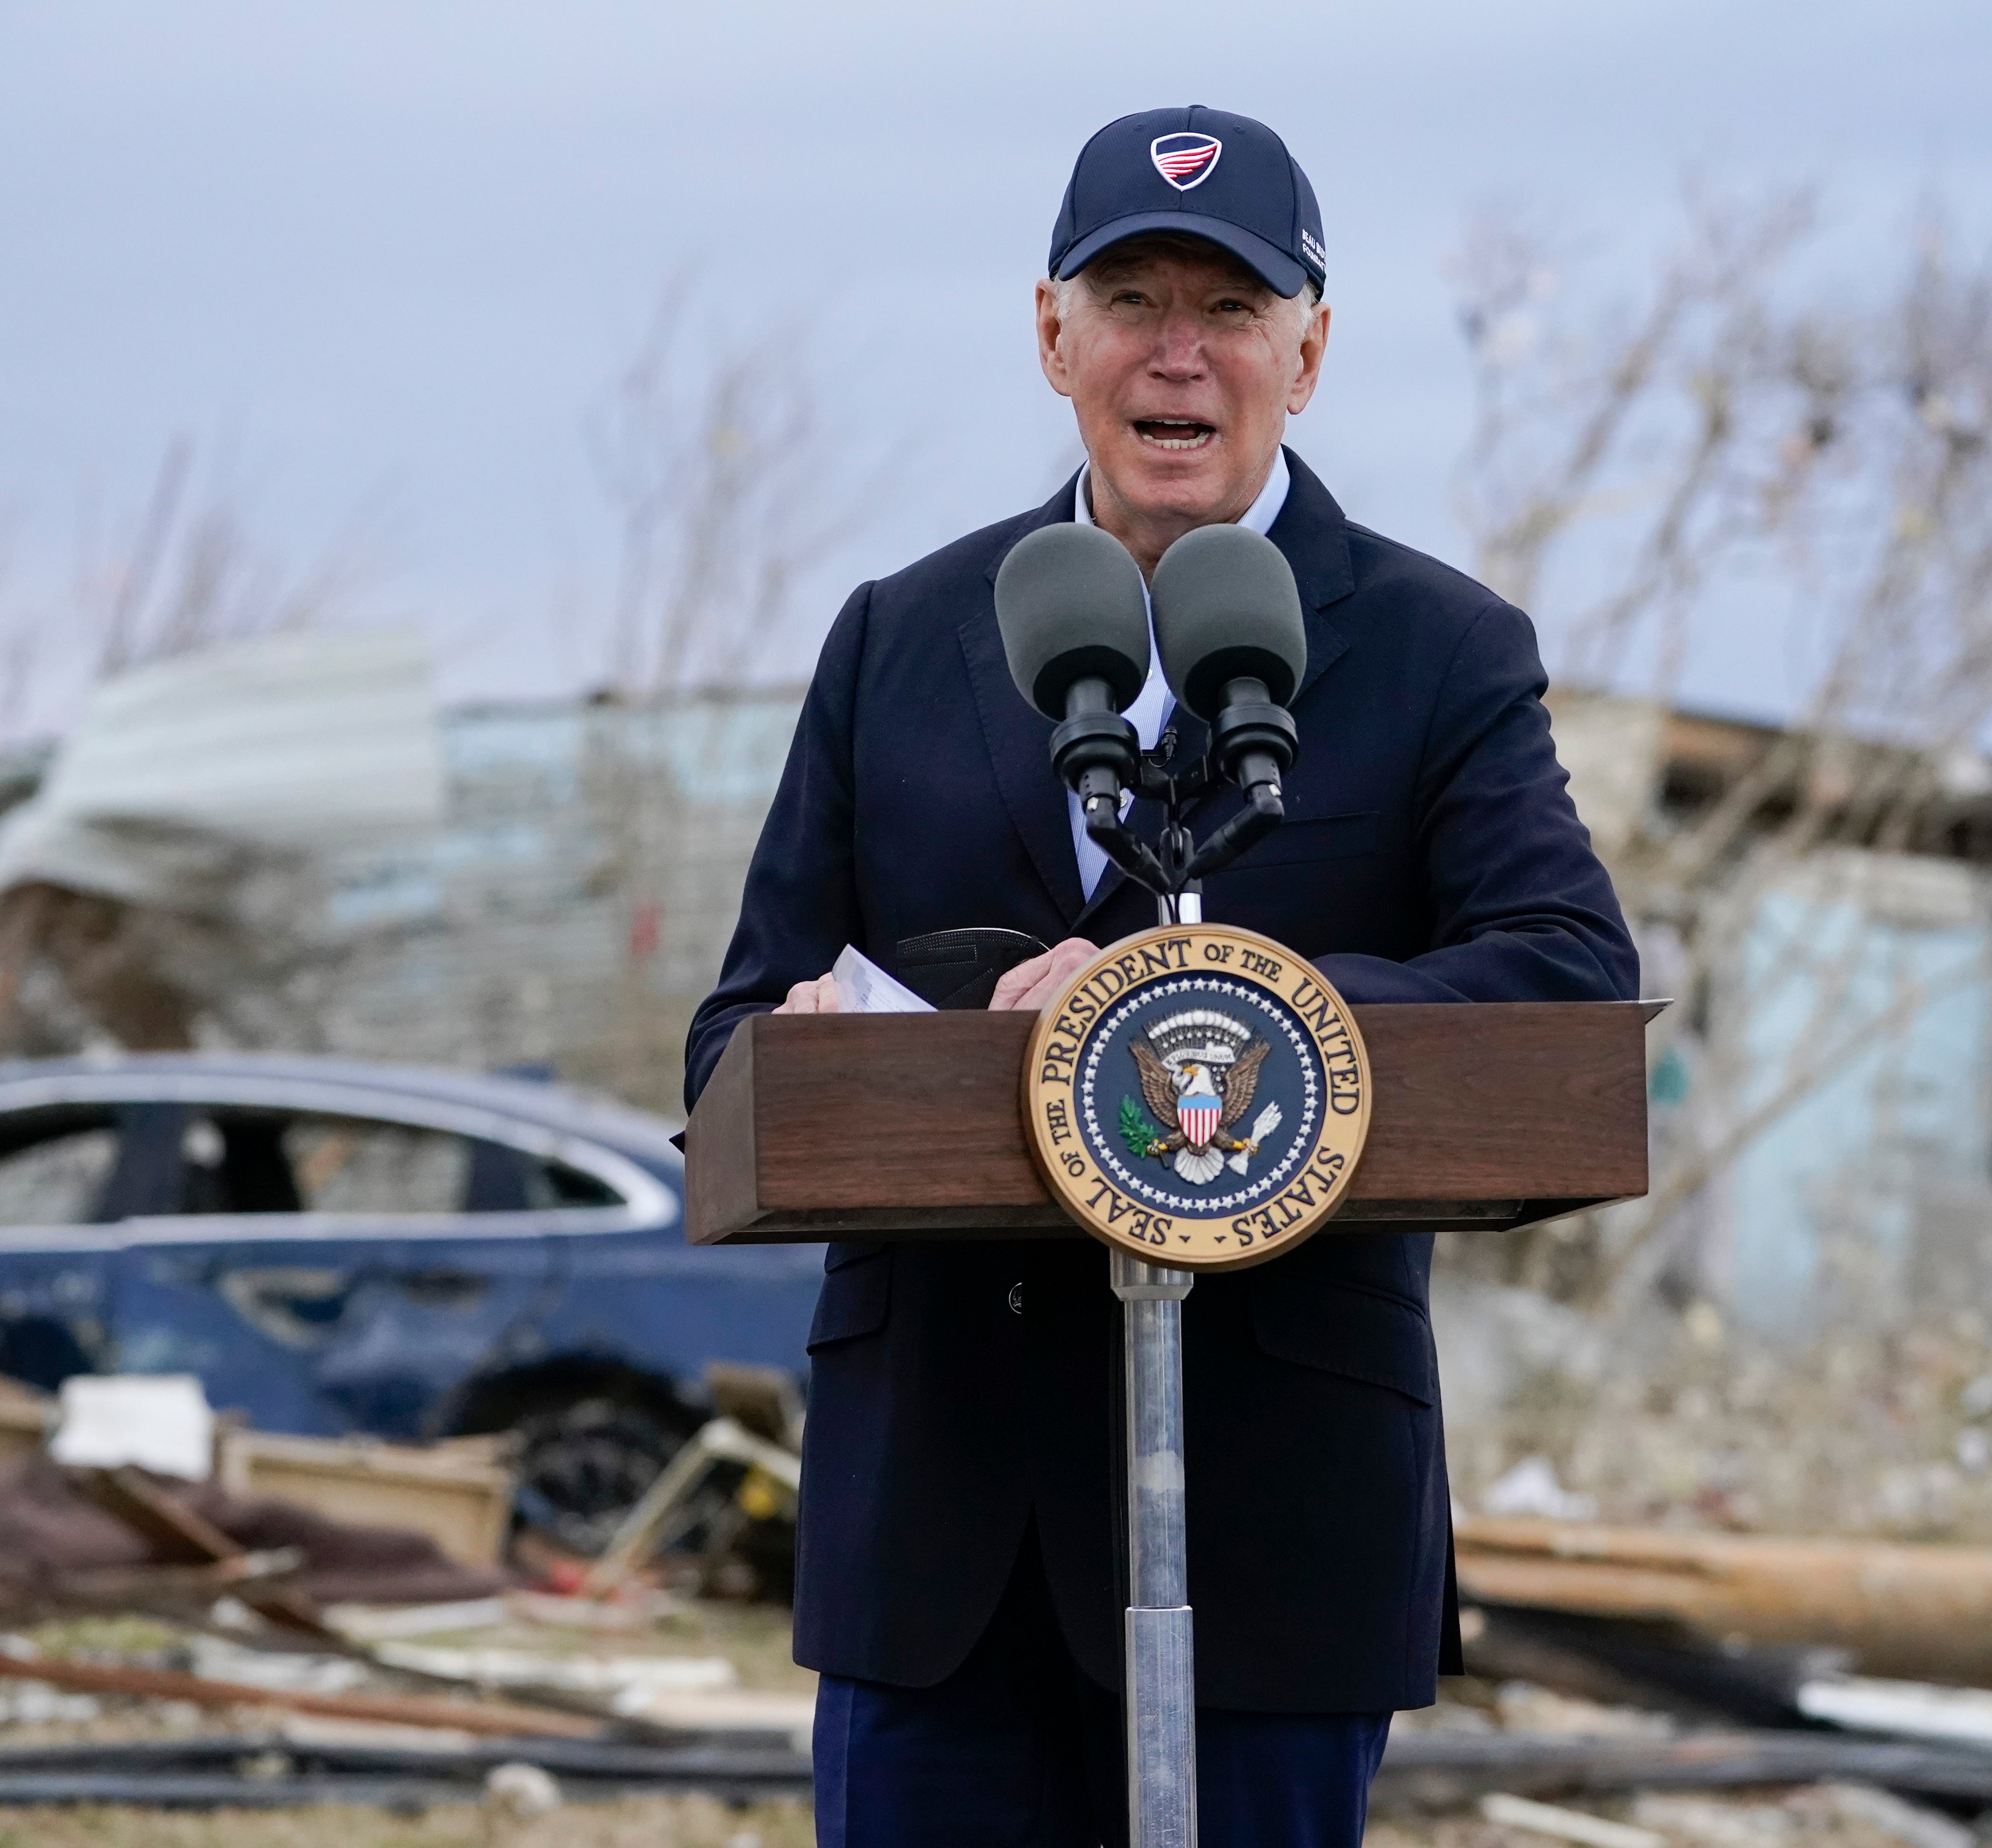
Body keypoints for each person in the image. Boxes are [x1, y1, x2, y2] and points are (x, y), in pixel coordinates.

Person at [686, 105, 1636, 1848]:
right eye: (1132, 300)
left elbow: (1564, 980)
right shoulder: (899, 634)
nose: (1177, 355)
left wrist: (1205, 1001)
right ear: (1051, 333)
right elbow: (728, 1030)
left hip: (1279, 1518)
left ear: (1311, 348)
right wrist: (807, 1048)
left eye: (1232, 307)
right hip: (940, 1537)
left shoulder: (1437, 649)